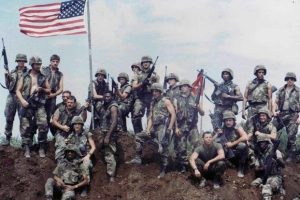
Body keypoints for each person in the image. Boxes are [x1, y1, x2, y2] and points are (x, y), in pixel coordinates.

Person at [126, 83, 176, 179]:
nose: (154, 93)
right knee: (139, 136)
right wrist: (148, 129)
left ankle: (164, 169)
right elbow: (150, 117)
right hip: (154, 127)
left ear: (160, 92)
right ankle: (138, 158)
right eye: (153, 91)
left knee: (162, 147)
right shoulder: (153, 102)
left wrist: (169, 128)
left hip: (163, 127)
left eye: (157, 91)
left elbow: (173, 114)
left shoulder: (166, 101)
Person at [16, 56, 50, 158]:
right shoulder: (24, 76)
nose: (38, 66)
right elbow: (18, 90)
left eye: (39, 64)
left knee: (43, 125)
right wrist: (22, 101)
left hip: (39, 104)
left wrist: (41, 89)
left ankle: (41, 147)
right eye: (36, 64)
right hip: (27, 103)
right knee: (25, 126)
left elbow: (49, 90)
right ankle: (27, 148)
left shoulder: (43, 77)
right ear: (32, 64)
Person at [173, 79, 204, 173]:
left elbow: (202, 113)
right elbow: (174, 114)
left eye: (185, 86)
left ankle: (197, 165)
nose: (183, 88)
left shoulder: (195, 97)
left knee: (197, 144)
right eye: (181, 86)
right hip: (181, 126)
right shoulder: (176, 98)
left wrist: (197, 106)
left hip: (192, 126)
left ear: (189, 87)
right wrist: (176, 127)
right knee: (181, 147)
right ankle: (183, 166)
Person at [65, 116, 96, 197]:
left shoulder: (86, 134)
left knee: (85, 165)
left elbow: (93, 147)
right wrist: (66, 143)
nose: (77, 126)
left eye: (79, 124)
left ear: (82, 125)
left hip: (85, 159)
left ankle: (85, 187)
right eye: (75, 124)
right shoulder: (71, 136)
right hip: (75, 160)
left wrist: (88, 156)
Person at [273, 72, 300, 162]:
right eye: (288, 78)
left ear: (294, 80)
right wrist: (274, 111)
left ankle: (291, 155)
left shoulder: (298, 90)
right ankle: (271, 151)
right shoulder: (281, 90)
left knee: (291, 135)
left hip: (293, 114)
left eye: (292, 79)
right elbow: (276, 102)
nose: (290, 80)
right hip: (281, 113)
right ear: (286, 79)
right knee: (271, 129)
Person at [2, 54, 28, 145]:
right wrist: (6, 76)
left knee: (23, 119)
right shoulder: (12, 72)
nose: (21, 62)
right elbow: (8, 86)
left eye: (23, 61)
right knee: (9, 117)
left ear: (25, 62)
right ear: (17, 61)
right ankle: (7, 138)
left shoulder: (28, 73)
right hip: (12, 96)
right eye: (19, 60)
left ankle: (24, 141)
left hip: (22, 97)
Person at [52, 96, 87, 162]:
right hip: (61, 133)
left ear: (74, 103)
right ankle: (60, 163)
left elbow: (84, 119)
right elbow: (54, 121)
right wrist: (62, 127)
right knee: (62, 146)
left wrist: (84, 109)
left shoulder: (77, 111)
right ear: (66, 103)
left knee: (80, 146)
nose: (69, 104)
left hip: (72, 134)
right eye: (68, 102)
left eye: (71, 102)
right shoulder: (60, 109)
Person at [250, 135, 285, 200]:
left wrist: (276, 159)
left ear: (267, 143)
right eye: (260, 143)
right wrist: (262, 168)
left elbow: (283, 165)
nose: (261, 144)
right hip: (264, 177)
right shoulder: (260, 155)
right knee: (253, 184)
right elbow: (256, 169)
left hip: (275, 176)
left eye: (263, 142)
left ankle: (278, 189)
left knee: (267, 188)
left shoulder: (276, 152)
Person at [95, 91, 120, 182]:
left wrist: (108, 136)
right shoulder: (103, 106)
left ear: (112, 97)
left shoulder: (113, 106)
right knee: (99, 148)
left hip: (111, 133)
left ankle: (111, 175)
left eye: (108, 97)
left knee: (109, 153)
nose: (106, 98)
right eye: (105, 97)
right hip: (103, 131)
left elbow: (114, 122)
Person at [215, 111, 248, 177]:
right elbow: (212, 141)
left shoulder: (237, 127)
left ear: (233, 120)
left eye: (230, 120)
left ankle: (241, 168)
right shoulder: (222, 128)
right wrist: (217, 134)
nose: (228, 122)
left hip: (236, 151)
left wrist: (232, 144)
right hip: (227, 152)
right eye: (226, 120)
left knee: (243, 146)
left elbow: (245, 137)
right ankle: (223, 168)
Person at [131, 56, 160, 133]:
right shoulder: (138, 74)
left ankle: (149, 133)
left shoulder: (155, 75)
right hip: (141, 97)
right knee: (136, 113)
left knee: (151, 116)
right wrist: (142, 84)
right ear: (142, 63)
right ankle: (138, 133)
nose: (146, 64)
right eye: (144, 62)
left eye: (147, 62)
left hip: (151, 97)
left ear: (150, 63)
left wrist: (151, 84)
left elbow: (158, 88)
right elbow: (134, 86)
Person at [41, 54, 64, 136]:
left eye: (57, 61)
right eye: (53, 61)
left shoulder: (60, 74)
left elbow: (61, 89)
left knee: (49, 117)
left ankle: (45, 138)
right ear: (50, 62)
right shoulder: (44, 70)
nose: (55, 63)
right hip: (42, 95)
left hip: (52, 97)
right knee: (39, 117)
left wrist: (53, 95)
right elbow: (40, 81)